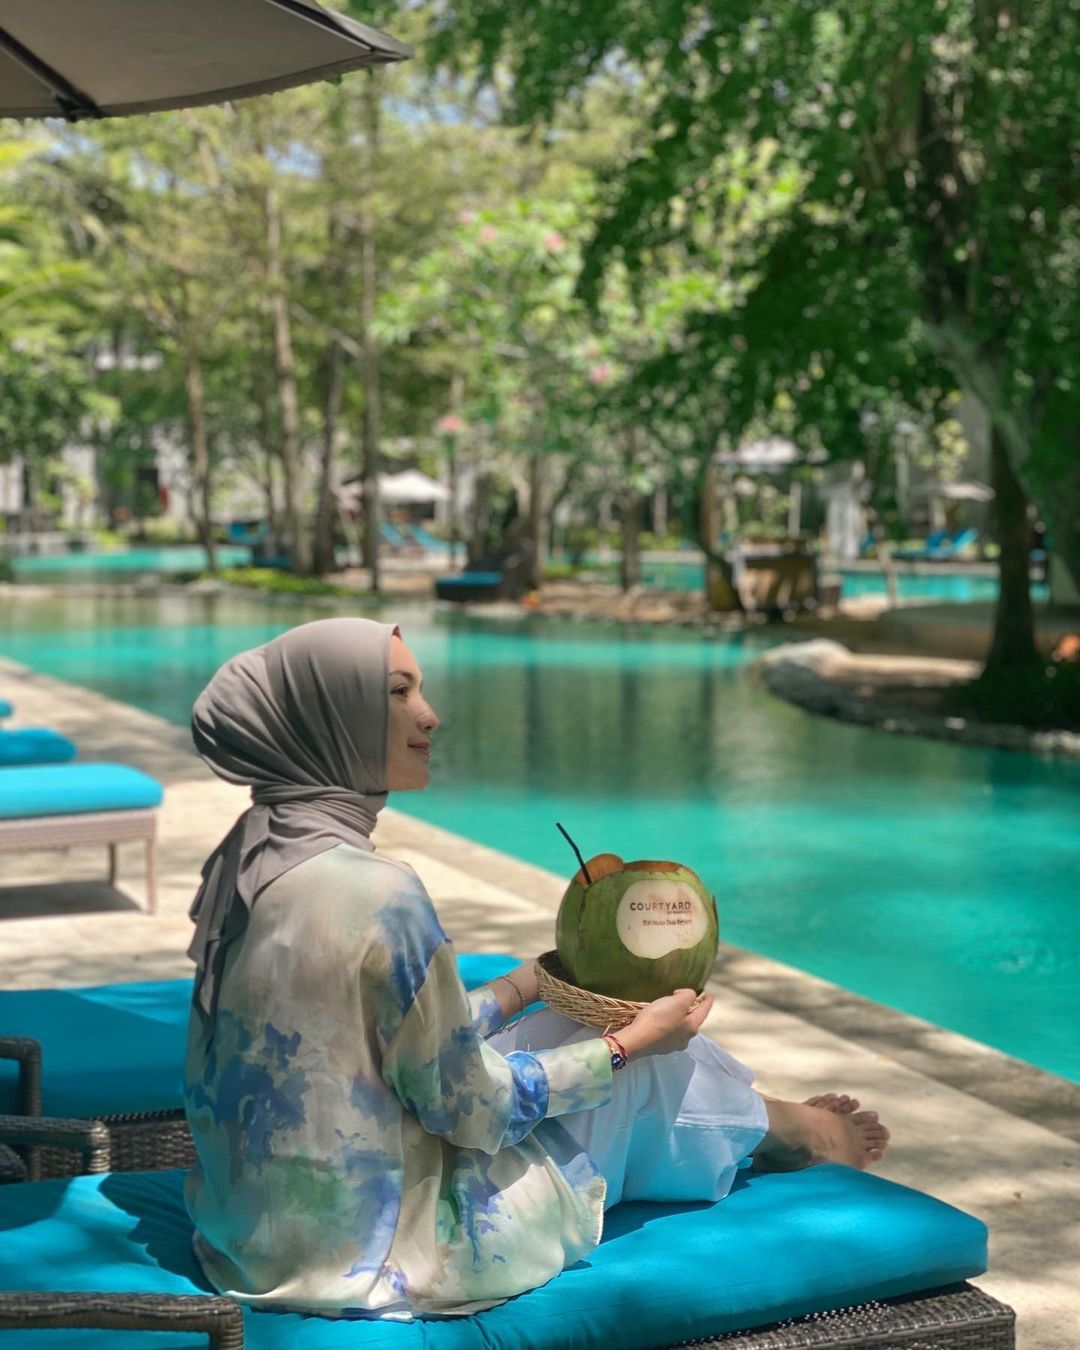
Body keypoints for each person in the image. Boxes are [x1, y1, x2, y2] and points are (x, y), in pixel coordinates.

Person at [184, 618, 889, 1320]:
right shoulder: (379, 894)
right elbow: (472, 1109)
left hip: (250, 1234)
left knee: (562, 1022)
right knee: (641, 1068)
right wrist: (629, 1045)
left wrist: (524, 986)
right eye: (399, 693)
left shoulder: (255, 859)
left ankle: (769, 1123)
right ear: (329, 716)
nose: (429, 715)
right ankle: (791, 1132)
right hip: (383, 1251)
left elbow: (382, 1046)